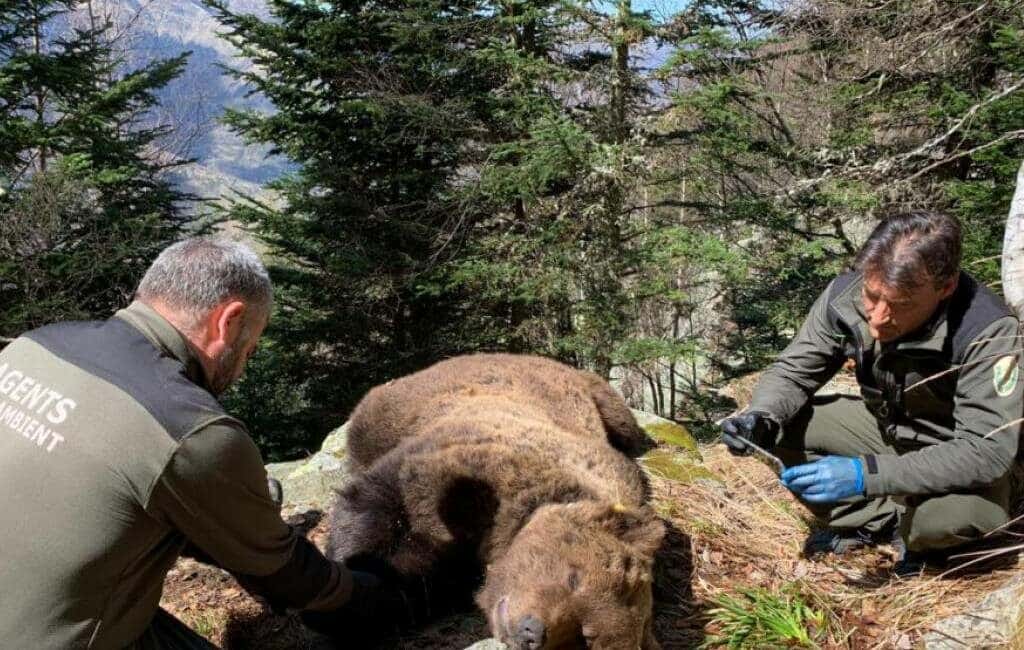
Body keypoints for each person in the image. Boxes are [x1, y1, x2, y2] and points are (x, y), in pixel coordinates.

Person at [0, 237, 385, 648]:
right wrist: (381, 595)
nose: (243, 365)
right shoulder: (189, 429)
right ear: (229, 322)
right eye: (250, 349)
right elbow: (284, 574)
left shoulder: (33, 345)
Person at [720, 212, 1023, 573]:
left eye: (900, 305)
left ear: (946, 287)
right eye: (872, 295)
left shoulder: (988, 331)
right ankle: (883, 521)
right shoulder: (844, 297)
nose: (878, 317)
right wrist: (761, 417)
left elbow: (985, 451)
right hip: (891, 429)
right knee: (782, 428)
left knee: (949, 521)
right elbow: (793, 370)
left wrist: (866, 475)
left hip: (956, 452)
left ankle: (921, 536)